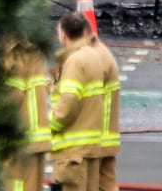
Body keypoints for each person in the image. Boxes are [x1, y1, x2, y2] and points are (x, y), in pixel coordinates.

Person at [50, 12, 105, 191]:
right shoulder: (93, 56)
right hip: (90, 148)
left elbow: (69, 102)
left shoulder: (74, 61)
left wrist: (50, 125)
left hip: (73, 152)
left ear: (63, 34)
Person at [1, 37, 51, 191]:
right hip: (36, 139)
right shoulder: (34, 51)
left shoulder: (10, 54)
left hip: (19, 142)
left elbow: (9, 98)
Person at [89, 31, 120, 191]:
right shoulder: (103, 53)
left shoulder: (89, 59)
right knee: (107, 184)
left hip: (93, 139)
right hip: (107, 137)